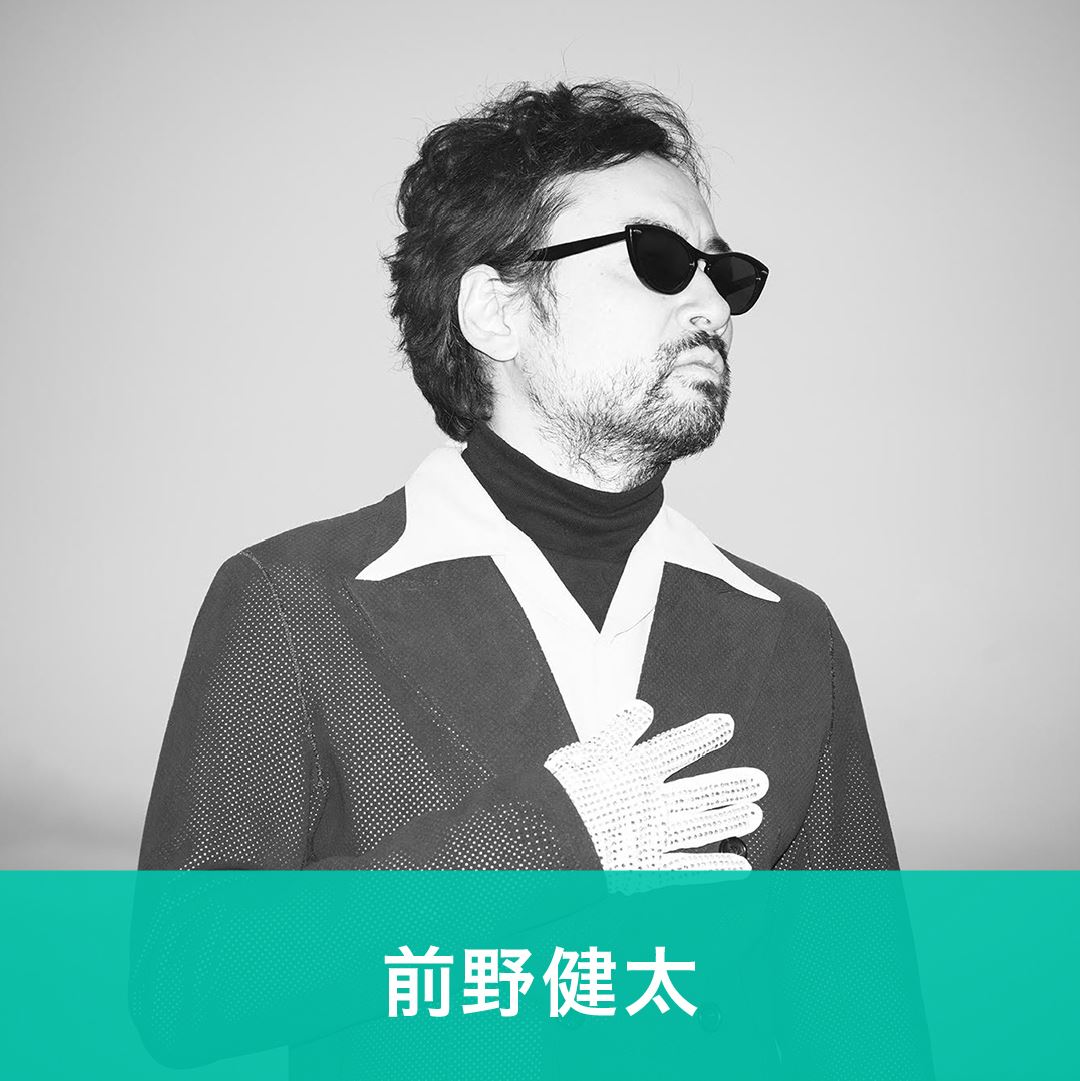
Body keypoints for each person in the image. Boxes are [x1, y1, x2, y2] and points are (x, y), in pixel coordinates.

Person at [138, 79, 899, 877]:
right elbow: (199, 952)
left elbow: (857, 963)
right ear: (496, 311)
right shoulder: (291, 602)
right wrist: (547, 842)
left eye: (726, 272)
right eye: (659, 258)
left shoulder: (795, 638)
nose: (714, 305)